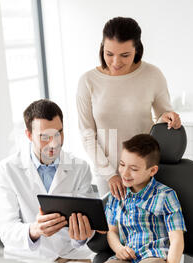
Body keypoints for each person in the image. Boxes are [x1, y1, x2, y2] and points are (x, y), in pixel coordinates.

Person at [76, 16, 182, 200]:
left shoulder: (152, 75)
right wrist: (110, 174)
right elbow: (87, 135)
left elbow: (162, 117)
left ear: (137, 50)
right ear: (102, 48)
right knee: (113, 227)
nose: (116, 62)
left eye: (125, 55)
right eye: (109, 54)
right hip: (107, 175)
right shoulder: (88, 81)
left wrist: (169, 117)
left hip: (144, 173)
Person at [0, 99, 100, 263]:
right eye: (45, 137)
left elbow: (88, 227)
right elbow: (7, 231)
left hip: (71, 255)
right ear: (29, 135)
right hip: (28, 260)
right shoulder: (7, 170)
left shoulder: (80, 168)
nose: (54, 143)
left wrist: (81, 236)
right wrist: (34, 230)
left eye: (59, 133)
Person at [101, 134, 186, 263]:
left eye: (133, 169)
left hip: (155, 257)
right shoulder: (117, 195)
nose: (124, 173)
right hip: (127, 257)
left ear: (152, 170)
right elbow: (111, 231)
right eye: (122, 164)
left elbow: (177, 240)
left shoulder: (165, 195)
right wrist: (119, 248)